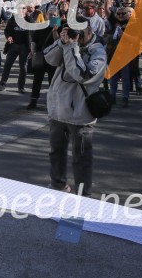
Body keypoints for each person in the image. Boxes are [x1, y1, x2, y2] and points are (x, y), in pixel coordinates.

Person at [44, 16, 107, 196]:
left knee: (81, 159)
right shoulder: (68, 44)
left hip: (80, 114)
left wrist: (72, 47)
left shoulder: (98, 52)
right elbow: (49, 58)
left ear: (89, 30)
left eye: (79, 31)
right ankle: (58, 185)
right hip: (58, 111)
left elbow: (84, 75)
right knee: (56, 152)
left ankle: (83, 194)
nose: (76, 35)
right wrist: (62, 43)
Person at [0, 6, 33, 94]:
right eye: (19, 9)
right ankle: (2, 84)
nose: (21, 10)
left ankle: (21, 87)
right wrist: (9, 36)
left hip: (24, 47)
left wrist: (32, 47)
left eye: (23, 8)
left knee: (23, 67)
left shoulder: (29, 19)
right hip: (14, 45)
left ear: (26, 10)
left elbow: (34, 31)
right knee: (7, 65)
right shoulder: (14, 18)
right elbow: (7, 30)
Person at [27, 7, 59, 110]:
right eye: (50, 14)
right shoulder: (41, 26)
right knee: (37, 79)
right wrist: (32, 51)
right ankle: (33, 100)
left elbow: (58, 42)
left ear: (57, 16)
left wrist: (55, 31)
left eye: (54, 15)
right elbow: (34, 40)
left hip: (53, 58)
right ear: (46, 16)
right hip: (41, 56)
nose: (52, 17)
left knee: (52, 81)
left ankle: (53, 103)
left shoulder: (60, 26)